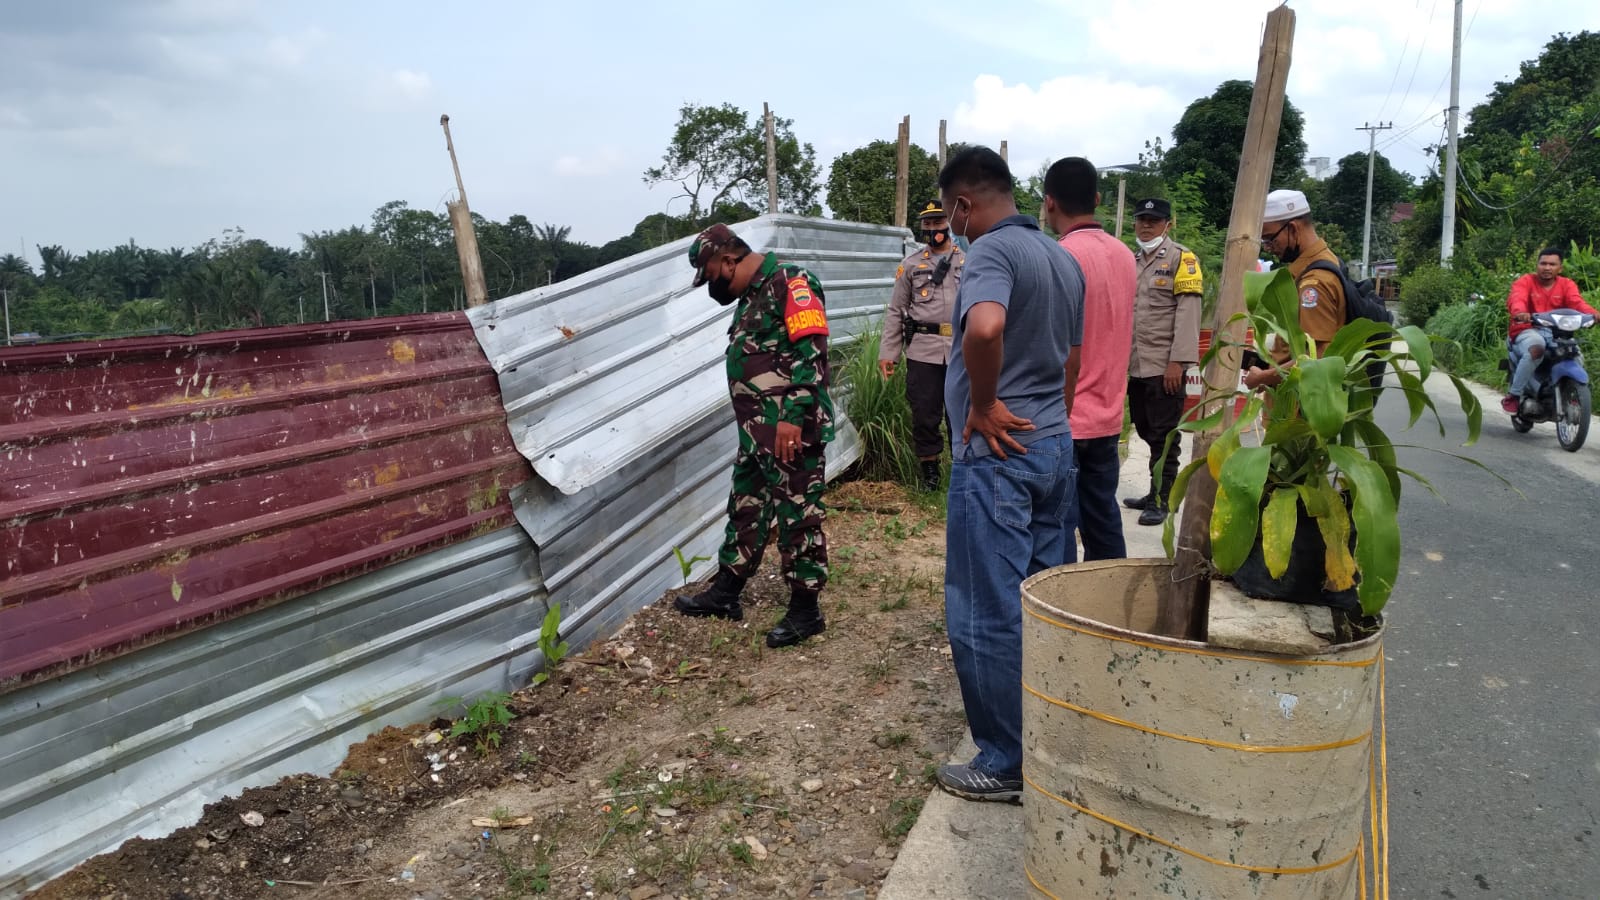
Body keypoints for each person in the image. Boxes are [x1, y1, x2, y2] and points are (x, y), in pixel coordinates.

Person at [935, 146, 1085, 803]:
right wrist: (1049, 411)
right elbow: (1072, 356)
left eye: (950, 212)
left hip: (997, 458)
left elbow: (986, 327)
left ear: (964, 204)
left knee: (988, 609)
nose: (952, 224)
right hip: (1053, 446)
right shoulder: (1060, 256)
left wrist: (987, 404)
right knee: (1044, 602)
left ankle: (1004, 762)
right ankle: (1050, 741)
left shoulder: (992, 251)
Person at [672, 223, 834, 649]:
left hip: (788, 432)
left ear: (729, 260)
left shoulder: (791, 283)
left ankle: (806, 609)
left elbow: (812, 351)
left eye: (710, 275)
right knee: (746, 507)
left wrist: (793, 417)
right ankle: (727, 592)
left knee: (798, 516)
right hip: (757, 433)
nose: (712, 286)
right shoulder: (751, 298)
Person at [1041, 157, 1135, 560]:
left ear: (1049, 204)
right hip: (1109, 415)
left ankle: (1061, 609)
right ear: (1096, 199)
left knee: (1057, 522)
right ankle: (1108, 606)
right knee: (1102, 517)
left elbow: (1052, 343)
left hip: (1067, 416)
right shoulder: (1125, 254)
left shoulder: (1059, 257)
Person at [1120, 197, 1202, 527]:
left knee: (1165, 436)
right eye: (1141, 219)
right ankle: (1152, 491)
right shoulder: (1132, 261)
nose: (1146, 225)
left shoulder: (1183, 260)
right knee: (1144, 430)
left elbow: (1188, 314)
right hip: (1137, 366)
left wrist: (1178, 362)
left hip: (1164, 368)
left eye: (1154, 220)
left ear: (1169, 223)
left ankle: (1162, 499)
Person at [879, 200, 965, 490]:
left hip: (960, 349)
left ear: (947, 225)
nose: (933, 229)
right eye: (927, 224)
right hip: (923, 350)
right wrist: (888, 353)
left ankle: (963, 468)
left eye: (938, 222)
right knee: (925, 413)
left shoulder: (970, 262)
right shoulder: (911, 265)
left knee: (960, 411)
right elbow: (895, 311)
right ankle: (930, 473)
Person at [1244, 189, 1346, 390]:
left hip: (1299, 409)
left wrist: (1264, 377)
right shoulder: (1327, 262)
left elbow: (1318, 356)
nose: (1268, 247)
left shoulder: (1314, 283)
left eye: (1270, 238)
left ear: (1292, 228)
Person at [1502, 247, 1598, 414]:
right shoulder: (1525, 281)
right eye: (1543, 263)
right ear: (1537, 265)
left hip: (1557, 332)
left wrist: (1594, 314)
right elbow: (1517, 298)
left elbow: (1577, 303)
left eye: (1552, 264)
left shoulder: (1566, 284)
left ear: (1560, 268)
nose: (1547, 268)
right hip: (1527, 329)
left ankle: (1569, 393)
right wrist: (1520, 313)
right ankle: (1514, 396)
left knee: (1574, 353)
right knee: (1537, 348)